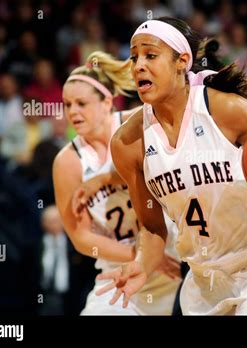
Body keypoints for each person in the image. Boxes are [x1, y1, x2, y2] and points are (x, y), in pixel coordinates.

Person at [98, 17, 247, 315]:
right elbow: (153, 226)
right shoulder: (127, 143)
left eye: (150, 56)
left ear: (182, 61)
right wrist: (142, 265)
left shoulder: (226, 109)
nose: (139, 65)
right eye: (134, 58)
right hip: (202, 282)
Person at [53, 51, 181, 315]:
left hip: (176, 256)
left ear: (106, 102)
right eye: (67, 105)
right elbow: (81, 237)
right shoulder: (68, 161)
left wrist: (103, 179)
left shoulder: (135, 124)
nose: (73, 112)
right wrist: (143, 257)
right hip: (122, 269)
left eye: (81, 103)